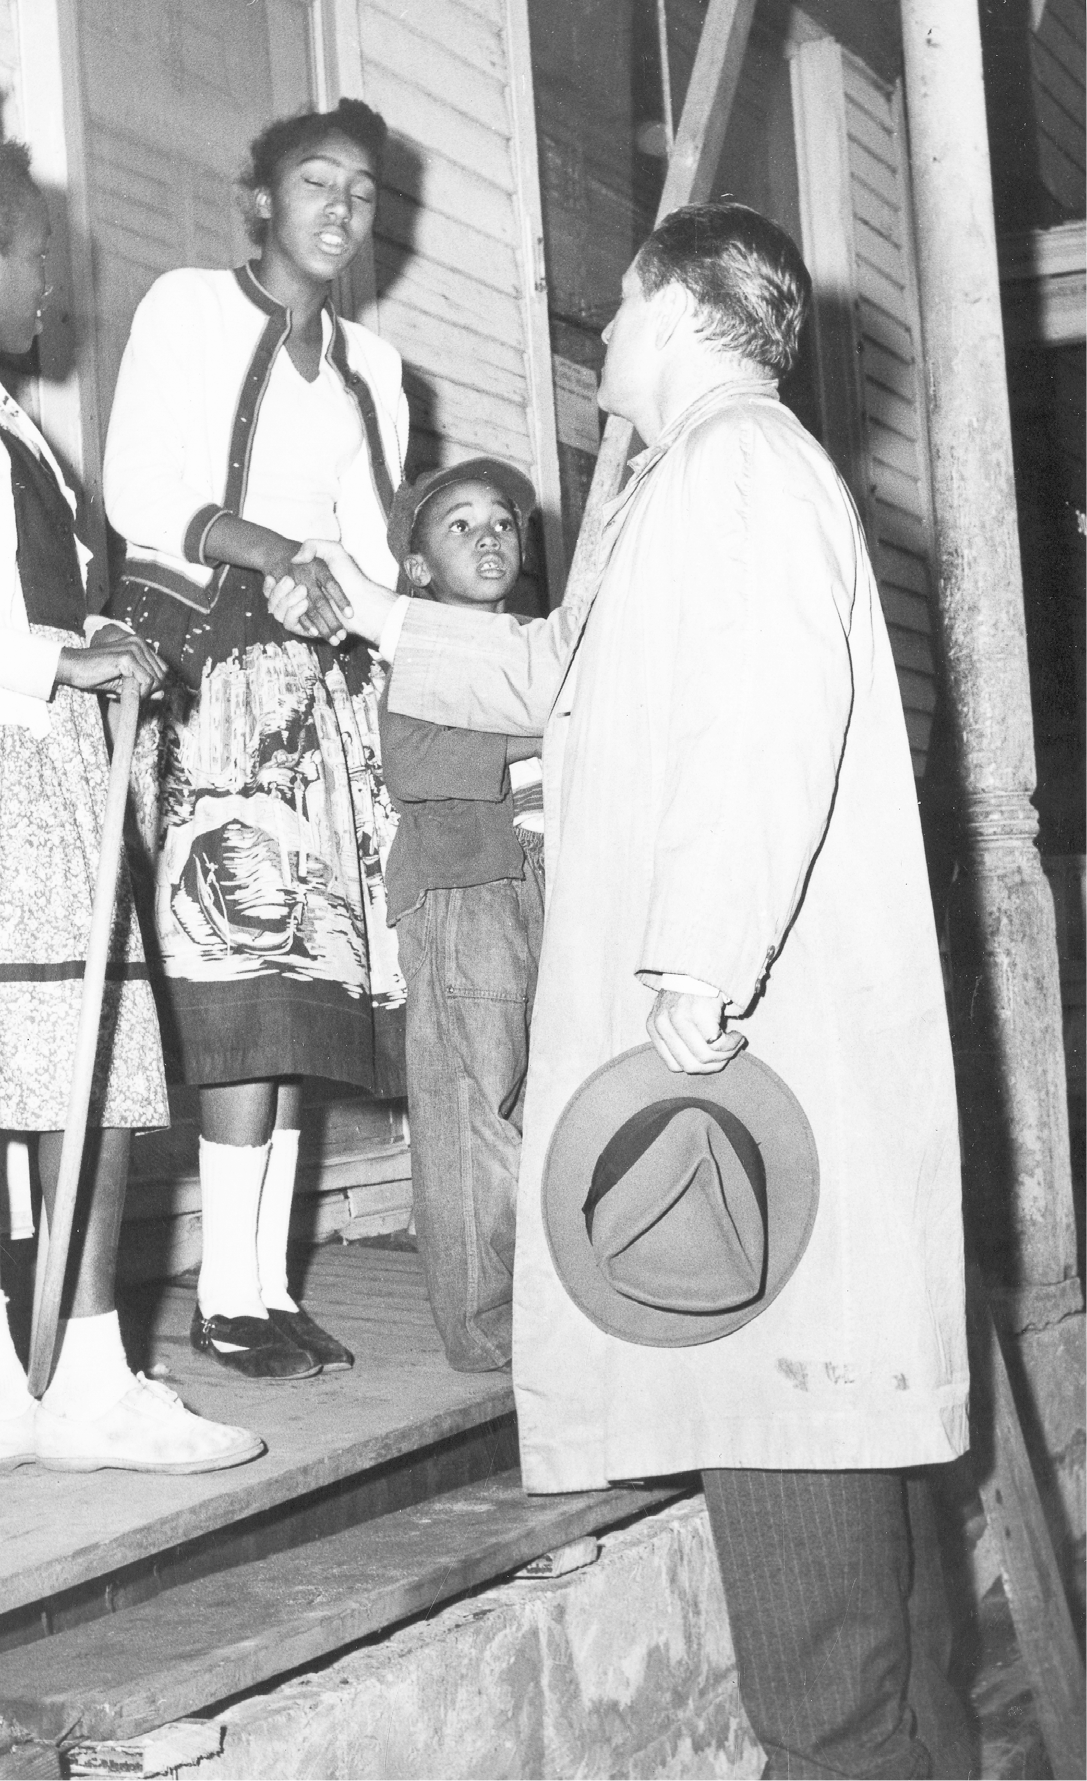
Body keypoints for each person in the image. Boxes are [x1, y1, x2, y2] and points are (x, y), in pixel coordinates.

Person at [271, 203, 974, 1777]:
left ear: (669, 308)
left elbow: (767, 721)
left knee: (811, 1584)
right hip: (748, 1095)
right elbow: (552, 675)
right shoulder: (691, 487)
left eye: (614, 315)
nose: (597, 352)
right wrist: (374, 610)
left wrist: (700, 962)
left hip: (737, 1087)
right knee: (863, 1564)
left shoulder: (733, 470)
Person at [0, 134, 262, 1478]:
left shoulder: (3, 416)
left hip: (27, 759)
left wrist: (94, 634)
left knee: (64, 1067)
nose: (48, 293)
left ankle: (69, 1379)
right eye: (32, 261)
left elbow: (2, 587)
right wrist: (51, 659)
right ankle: (4, 1389)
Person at [102, 99, 407, 1382]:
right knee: (240, 982)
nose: (339, 209)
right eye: (314, 184)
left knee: (301, 993)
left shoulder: (372, 370)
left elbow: (379, 555)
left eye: (360, 192)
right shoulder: (187, 307)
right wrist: (271, 549)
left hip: (313, 701)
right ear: (260, 202)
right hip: (210, 677)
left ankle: (265, 1289)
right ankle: (222, 1298)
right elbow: (135, 493)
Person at [378, 460, 545, 1372]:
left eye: (503, 525)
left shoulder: (533, 643)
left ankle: (551, 1302)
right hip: (460, 890)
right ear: (414, 569)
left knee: (538, 1094)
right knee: (473, 1099)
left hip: (539, 881)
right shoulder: (424, 648)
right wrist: (542, 724)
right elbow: (415, 765)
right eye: (459, 526)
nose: (488, 537)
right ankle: (486, 1329)